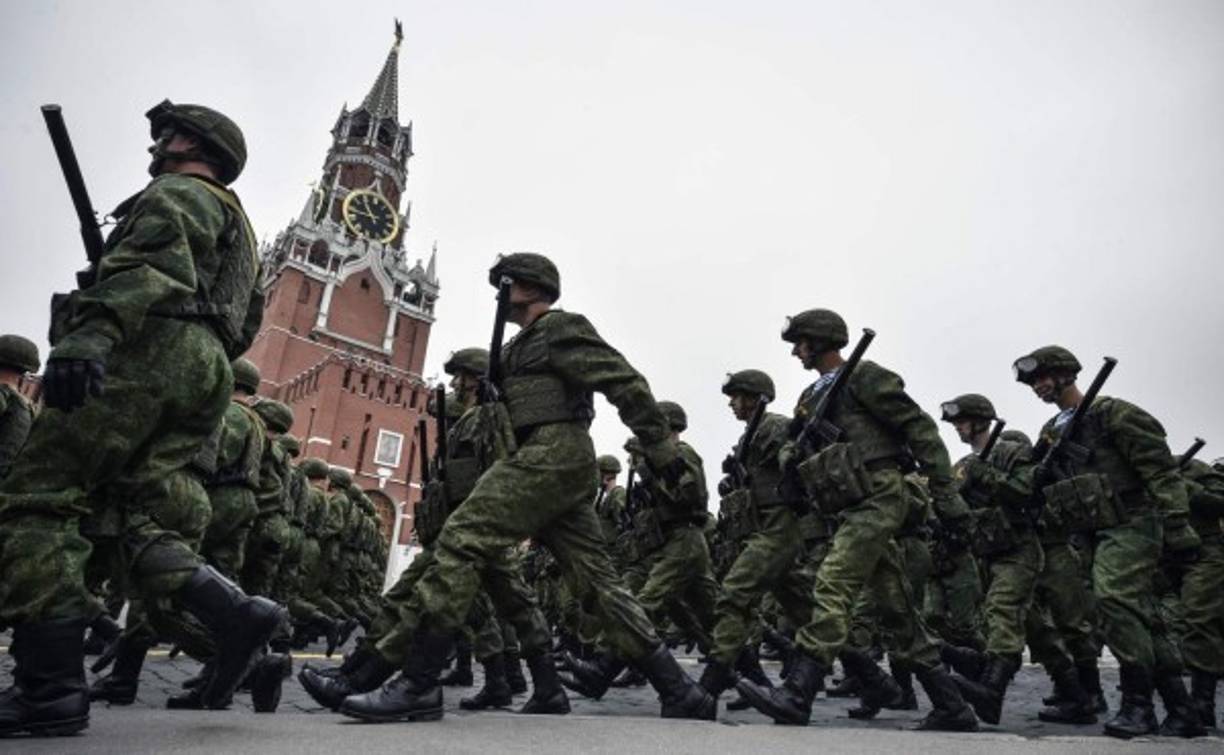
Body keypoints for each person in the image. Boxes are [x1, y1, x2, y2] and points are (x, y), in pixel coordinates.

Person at [0, 100, 282, 736]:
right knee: (125, 515)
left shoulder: (180, 193)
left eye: (167, 136)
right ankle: (235, 614)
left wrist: (90, 335)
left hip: (147, 349)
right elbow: (247, 321)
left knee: (39, 501)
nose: (156, 147)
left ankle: (48, 690)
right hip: (202, 369)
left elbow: (152, 264)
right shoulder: (242, 230)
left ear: (191, 143)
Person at [335, 252, 715, 723]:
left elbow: (624, 380)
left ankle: (418, 682)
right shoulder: (515, 349)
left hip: (551, 452)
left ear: (532, 288)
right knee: (598, 584)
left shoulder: (560, 329)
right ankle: (679, 690)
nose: (500, 295)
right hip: (540, 458)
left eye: (507, 284)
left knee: (460, 540)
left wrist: (662, 450)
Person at [736, 308, 977, 731]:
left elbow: (920, 429)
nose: (795, 352)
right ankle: (952, 706)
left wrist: (944, 492)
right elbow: (790, 444)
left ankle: (798, 693)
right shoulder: (810, 398)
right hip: (847, 505)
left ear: (820, 340)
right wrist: (794, 455)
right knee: (896, 608)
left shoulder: (866, 377)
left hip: (880, 494)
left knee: (833, 582)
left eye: (801, 343)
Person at [1014, 345, 1203, 738]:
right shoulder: (1052, 432)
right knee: (1142, 616)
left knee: (1114, 597)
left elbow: (1160, 471)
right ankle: (1181, 710)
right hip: (1092, 531)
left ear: (1067, 374)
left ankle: (1138, 706)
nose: (1039, 386)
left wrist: (1178, 523)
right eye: (1033, 381)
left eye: (1044, 377)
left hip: (1133, 521)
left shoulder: (1114, 414)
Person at [937, 393, 1042, 725]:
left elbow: (1027, 492)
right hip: (983, 552)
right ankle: (985, 682)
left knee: (1002, 610)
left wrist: (988, 476)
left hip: (1017, 549)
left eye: (962, 421)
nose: (957, 428)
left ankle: (992, 690)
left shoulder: (1012, 453)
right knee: (990, 621)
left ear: (981, 421)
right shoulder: (963, 466)